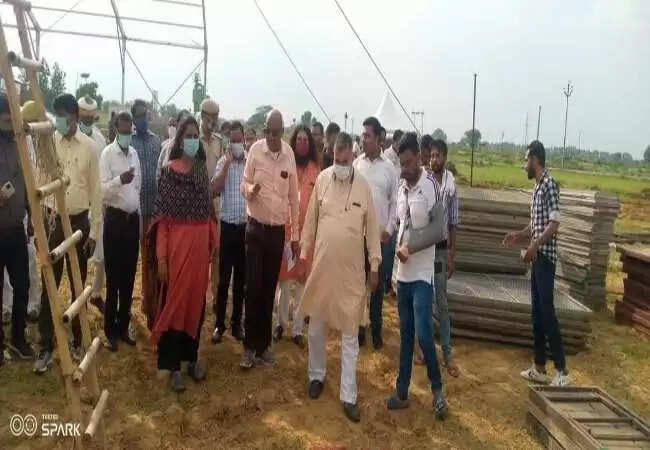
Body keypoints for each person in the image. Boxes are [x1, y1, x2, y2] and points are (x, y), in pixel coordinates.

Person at [299, 132, 381, 423]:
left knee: (349, 337)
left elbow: (372, 231)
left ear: (352, 157)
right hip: (322, 270)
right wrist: (304, 254)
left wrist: (375, 266)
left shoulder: (363, 187)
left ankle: (348, 395)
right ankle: (316, 376)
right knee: (315, 328)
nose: (341, 164)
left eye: (345, 160)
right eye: (337, 159)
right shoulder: (322, 180)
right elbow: (310, 221)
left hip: (351, 275)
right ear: (332, 154)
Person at [142, 116, 218, 392]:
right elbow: (162, 221)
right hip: (176, 250)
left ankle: (191, 359)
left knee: (195, 303)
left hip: (199, 252)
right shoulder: (168, 172)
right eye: (189, 135)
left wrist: (214, 244)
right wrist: (162, 258)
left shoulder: (201, 171)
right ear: (179, 139)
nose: (193, 139)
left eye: (196, 135)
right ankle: (172, 365)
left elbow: (208, 213)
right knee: (175, 303)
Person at [34, 94, 102, 373]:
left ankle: (77, 339)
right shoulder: (50, 143)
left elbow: (96, 191)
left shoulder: (90, 147)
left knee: (78, 284)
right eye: (57, 116)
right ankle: (45, 346)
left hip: (78, 221)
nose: (59, 121)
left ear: (74, 116)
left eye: (62, 115)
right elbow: (41, 182)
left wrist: (94, 231)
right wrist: (38, 224)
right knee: (49, 283)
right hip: (52, 220)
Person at [386, 132, 448, 419]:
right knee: (407, 335)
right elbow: (401, 225)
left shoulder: (430, 185)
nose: (405, 168)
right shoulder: (401, 188)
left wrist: (411, 248)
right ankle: (402, 392)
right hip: (403, 275)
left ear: (419, 159)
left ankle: (438, 391)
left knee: (423, 333)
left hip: (422, 273)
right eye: (402, 163)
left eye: (409, 162)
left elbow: (439, 230)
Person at [503, 140, 572, 387]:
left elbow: (554, 224)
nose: (524, 165)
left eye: (525, 160)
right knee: (537, 314)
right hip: (536, 258)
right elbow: (536, 224)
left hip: (545, 259)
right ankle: (539, 367)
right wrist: (519, 235)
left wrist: (534, 246)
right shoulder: (537, 188)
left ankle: (562, 371)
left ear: (534, 160)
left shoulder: (550, 185)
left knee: (547, 312)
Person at [239, 109, 299, 369]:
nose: (271, 137)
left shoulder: (289, 155)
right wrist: (249, 190)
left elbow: (294, 198)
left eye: (276, 133)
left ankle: (263, 346)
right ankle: (249, 347)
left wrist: (295, 235)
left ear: (282, 131)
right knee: (252, 287)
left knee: (268, 288)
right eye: (267, 132)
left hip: (276, 233)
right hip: (255, 229)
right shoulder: (255, 151)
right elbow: (243, 183)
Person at [272, 125, 320, 348]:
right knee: (284, 282)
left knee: (302, 284)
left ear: (310, 144)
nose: (302, 143)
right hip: (286, 234)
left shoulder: (316, 171)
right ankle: (281, 324)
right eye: (298, 139)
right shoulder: (285, 165)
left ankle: (298, 330)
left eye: (305, 140)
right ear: (293, 143)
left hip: (307, 237)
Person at [353, 116, 398, 350]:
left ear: (379, 138)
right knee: (358, 284)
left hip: (380, 238)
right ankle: (360, 328)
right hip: (357, 236)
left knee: (377, 285)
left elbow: (395, 203)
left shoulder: (389, 168)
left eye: (367, 136)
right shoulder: (356, 165)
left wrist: (389, 229)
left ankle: (376, 329)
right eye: (363, 135)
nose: (363, 140)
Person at [99, 111, 141, 352]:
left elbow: (138, 187)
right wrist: (119, 181)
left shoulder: (134, 153)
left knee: (128, 278)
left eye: (129, 131)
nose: (126, 135)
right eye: (123, 131)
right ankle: (110, 331)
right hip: (114, 222)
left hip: (132, 222)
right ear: (116, 129)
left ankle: (123, 326)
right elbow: (102, 191)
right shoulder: (107, 154)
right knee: (114, 279)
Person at [0, 94, 34, 365]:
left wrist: (32, 217)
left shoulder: (20, 143)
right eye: (7, 118)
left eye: (13, 118)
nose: (11, 123)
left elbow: (27, 184)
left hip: (16, 229)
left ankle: (18, 340)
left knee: (22, 285)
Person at [211, 121, 247, 344]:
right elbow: (215, 189)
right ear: (228, 141)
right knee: (224, 280)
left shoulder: (251, 162)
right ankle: (219, 325)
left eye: (238, 140)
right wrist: (226, 164)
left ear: (244, 140)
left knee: (241, 279)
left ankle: (236, 324)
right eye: (232, 140)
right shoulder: (222, 162)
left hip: (245, 229)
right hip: (227, 228)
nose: (235, 144)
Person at [78, 96, 108, 315]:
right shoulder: (70, 137)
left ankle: (96, 293)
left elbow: (102, 174)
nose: (87, 122)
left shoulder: (100, 140)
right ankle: (78, 296)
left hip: (96, 203)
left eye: (90, 119)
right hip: (77, 204)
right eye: (84, 118)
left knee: (101, 253)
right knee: (79, 254)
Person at [131, 99, 161, 305]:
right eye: (139, 115)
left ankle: (150, 295)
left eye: (145, 115)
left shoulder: (155, 141)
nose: (143, 119)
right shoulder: (129, 141)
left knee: (152, 253)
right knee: (138, 252)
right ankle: (140, 293)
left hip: (153, 206)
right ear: (134, 118)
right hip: (135, 207)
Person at [198, 99, 225, 311]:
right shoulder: (192, 139)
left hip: (216, 204)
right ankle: (198, 296)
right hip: (197, 204)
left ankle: (216, 297)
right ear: (202, 115)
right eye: (210, 117)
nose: (213, 121)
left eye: (215, 117)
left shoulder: (219, 142)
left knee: (217, 252)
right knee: (200, 253)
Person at [157, 110, 191, 182]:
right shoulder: (167, 148)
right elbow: (159, 174)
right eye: (183, 125)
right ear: (177, 125)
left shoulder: (196, 148)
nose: (186, 129)